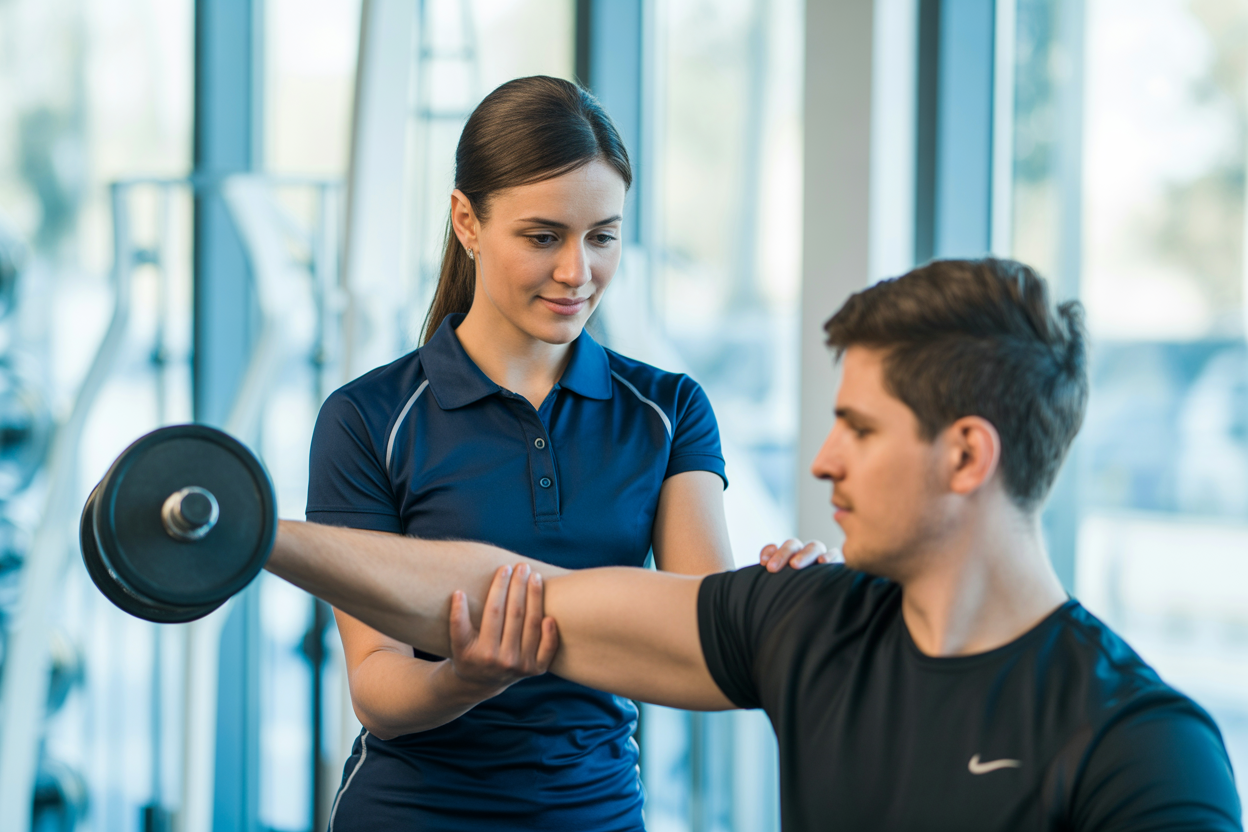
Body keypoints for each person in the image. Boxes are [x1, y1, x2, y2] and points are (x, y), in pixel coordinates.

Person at [274, 258, 1242, 831]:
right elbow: (512, 591)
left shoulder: (1144, 749)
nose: (822, 461)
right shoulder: (808, 627)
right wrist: (255, 536)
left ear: (965, 453)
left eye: (859, 430)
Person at [305, 75, 820, 831]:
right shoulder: (366, 419)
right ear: (467, 222)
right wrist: (464, 679)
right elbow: (376, 686)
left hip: (597, 813)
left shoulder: (668, 412)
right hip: (415, 813)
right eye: (543, 237)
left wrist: (779, 599)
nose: (577, 272)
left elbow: (704, 633)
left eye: (602, 236)